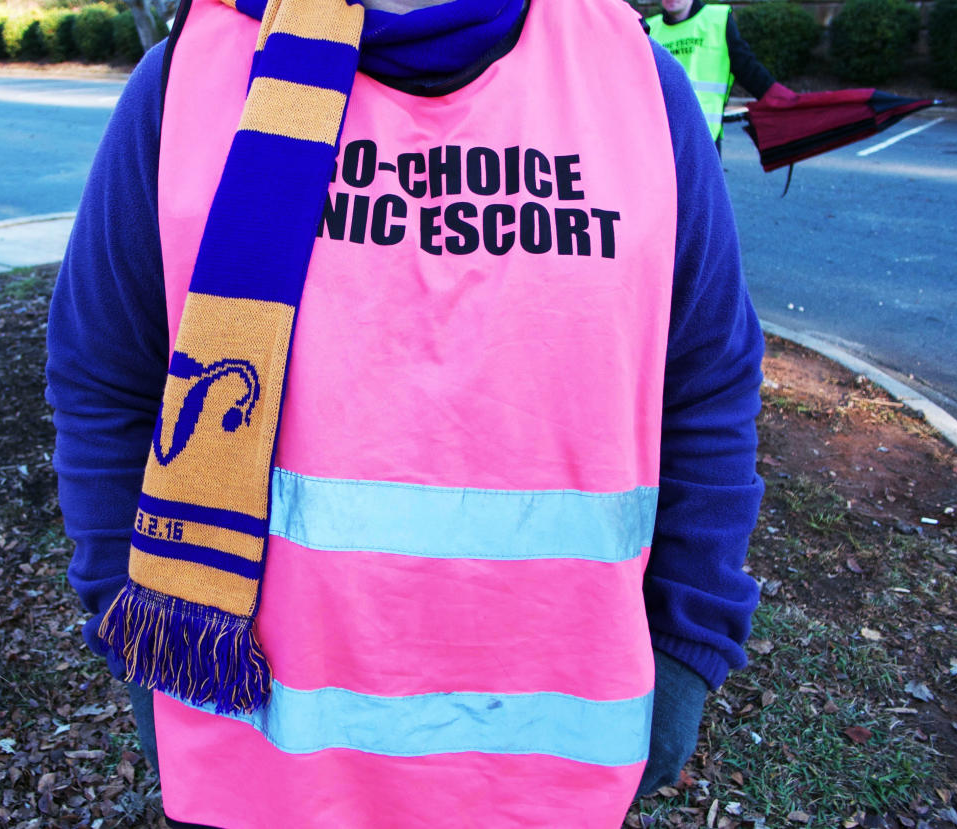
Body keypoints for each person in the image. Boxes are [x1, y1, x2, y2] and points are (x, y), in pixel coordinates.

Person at [47, 0, 764, 825]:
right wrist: (133, 627)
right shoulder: (188, 81)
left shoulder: (637, 82)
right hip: (256, 751)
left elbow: (707, 381)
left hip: (543, 764)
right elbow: (104, 377)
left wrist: (687, 648)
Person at [645, 0, 796, 147]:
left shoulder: (717, 20)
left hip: (704, 138)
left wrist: (781, 99)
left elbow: (746, 67)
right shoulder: (650, 28)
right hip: (660, 138)